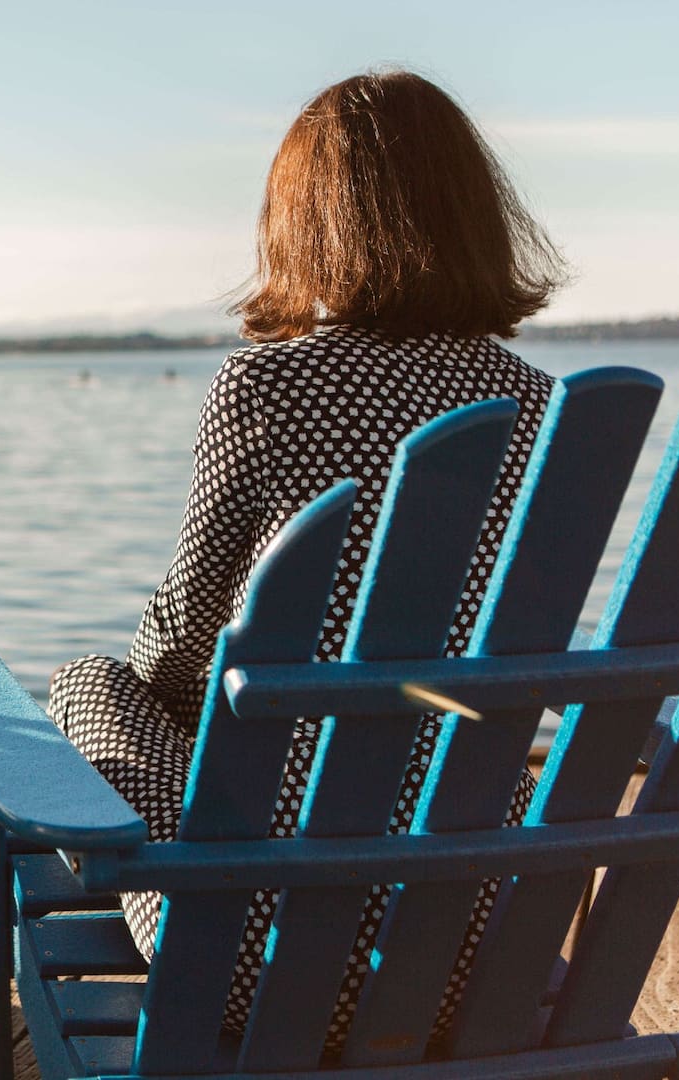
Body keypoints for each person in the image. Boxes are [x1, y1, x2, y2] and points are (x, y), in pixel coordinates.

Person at [47, 70, 566, 1048]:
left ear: (311, 225)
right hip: (473, 956)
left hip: (245, 959)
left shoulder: (267, 390)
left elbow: (185, 646)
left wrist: (184, 690)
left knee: (91, 681)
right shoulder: (542, 408)